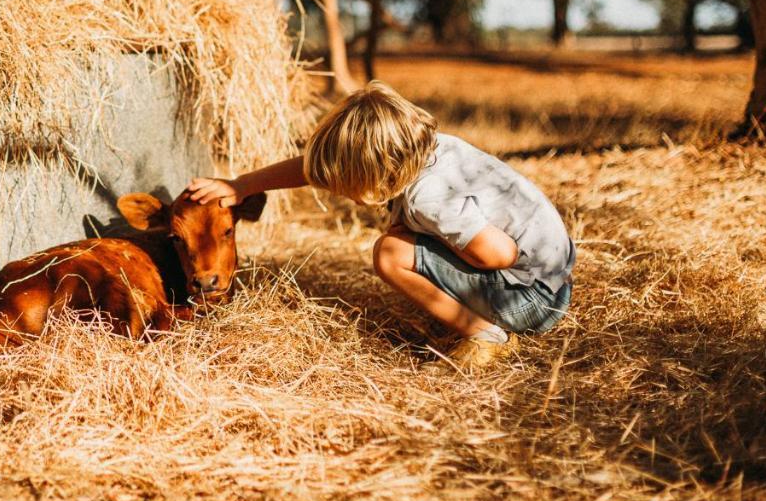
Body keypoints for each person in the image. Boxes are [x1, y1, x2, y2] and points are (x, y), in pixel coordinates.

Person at [188, 81, 574, 368]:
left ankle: (483, 333)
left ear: (377, 172)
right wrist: (240, 185)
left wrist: (417, 237)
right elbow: (311, 169)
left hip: (530, 300)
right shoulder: (432, 149)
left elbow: (499, 253)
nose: (336, 189)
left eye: (344, 182)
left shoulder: (429, 197)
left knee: (390, 253)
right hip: (551, 277)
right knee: (404, 241)